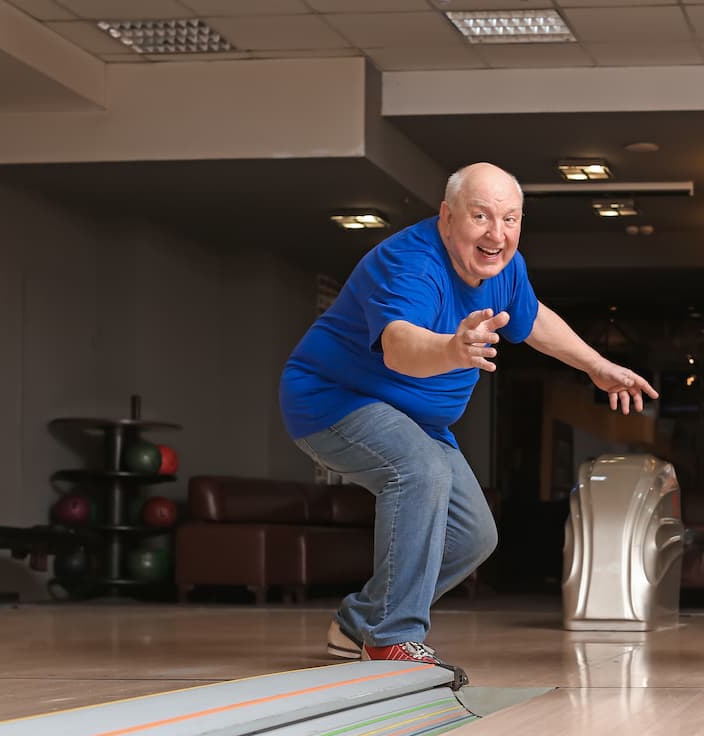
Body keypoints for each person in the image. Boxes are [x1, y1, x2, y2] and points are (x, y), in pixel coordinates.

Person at [280, 162, 658, 677]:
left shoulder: (506, 268)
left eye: (510, 219)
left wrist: (596, 366)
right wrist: (452, 349)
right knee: (419, 470)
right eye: (480, 216)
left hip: (418, 421)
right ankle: (392, 638)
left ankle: (358, 624)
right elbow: (398, 346)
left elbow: (533, 318)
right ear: (447, 216)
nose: (496, 234)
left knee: (472, 536)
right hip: (334, 399)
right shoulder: (410, 263)